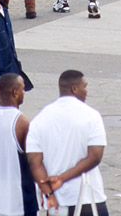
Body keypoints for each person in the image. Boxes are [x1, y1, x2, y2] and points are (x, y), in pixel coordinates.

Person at [27, 70, 109, 216]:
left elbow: (35, 163)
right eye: (85, 86)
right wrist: (62, 178)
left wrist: (48, 194)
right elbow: (95, 156)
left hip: (57, 204)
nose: (86, 91)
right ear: (74, 88)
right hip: (88, 199)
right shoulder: (91, 116)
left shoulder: (39, 120)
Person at [0, 73, 39, 216]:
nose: (24, 93)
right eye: (23, 89)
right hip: (18, 200)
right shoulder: (22, 122)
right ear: (15, 92)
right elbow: (33, 161)